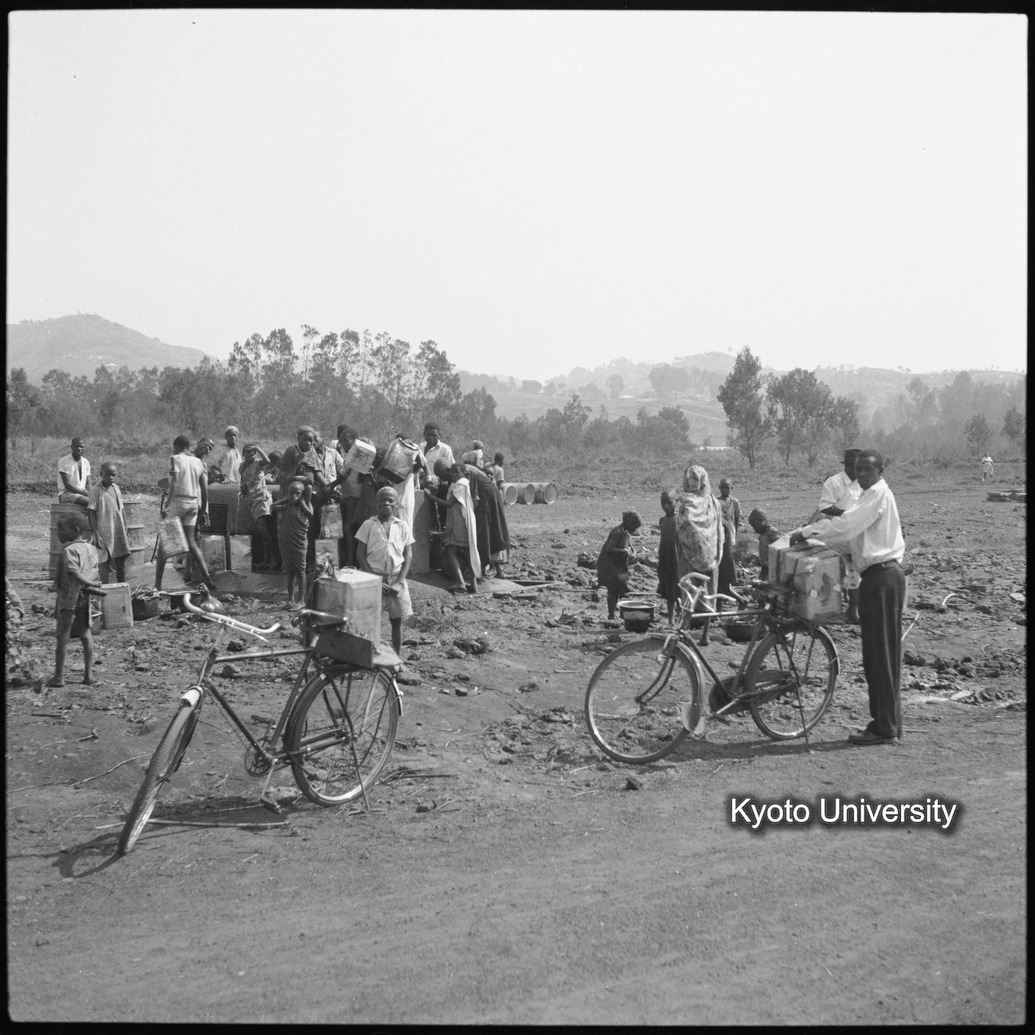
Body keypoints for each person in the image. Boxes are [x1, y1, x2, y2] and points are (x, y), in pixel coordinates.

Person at [790, 449, 905, 746]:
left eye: (868, 470)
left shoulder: (877, 494)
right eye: (858, 469)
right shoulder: (870, 495)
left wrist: (808, 531)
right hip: (880, 577)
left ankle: (884, 728)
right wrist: (819, 539)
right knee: (884, 654)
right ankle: (889, 722)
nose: (862, 474)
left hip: (881, 578)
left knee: (879, 655)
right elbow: (849, 534)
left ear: (881, 470)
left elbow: (846, 525)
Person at [355, 485, 414, 655]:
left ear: (396, 504)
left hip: (396, 579)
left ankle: (397, 656)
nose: (386, 503)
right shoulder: (369, 524)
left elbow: (408, 555)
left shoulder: (402, 526)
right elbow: (360, 554)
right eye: (382, 500)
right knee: (371, 621)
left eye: (390, 500)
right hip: (373, 579)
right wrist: (374, 579)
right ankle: (369, 656)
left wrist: (400, 581)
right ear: (376, 503)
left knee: (396, 621)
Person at [49, 512, 106, 688]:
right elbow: (95, 571)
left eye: (61, 530)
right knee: (86, 633)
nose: (57, 533)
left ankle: (58, 677)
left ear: (75, 530)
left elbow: (74, 573)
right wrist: (92, 585)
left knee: (63, 635)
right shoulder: (91, 548)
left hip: (69, 599)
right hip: (86, 597)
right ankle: (88, 675)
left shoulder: (69, 551)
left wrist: (87, 582)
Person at [154, 435, 217, 593]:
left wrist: (167, 504)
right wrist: (202, 510)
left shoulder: (175, 459)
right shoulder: (198, 462)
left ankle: (157, 585)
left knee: (165, 545)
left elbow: (174, 484)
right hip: (193, 504)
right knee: (191, 542)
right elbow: (204, 488)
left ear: (176, 446)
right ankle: (207, 578)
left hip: (178, 503)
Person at [812, 448, 862, 623]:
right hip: (836, 535)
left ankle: (852, 609)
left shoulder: (860, 484)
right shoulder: (834, 482)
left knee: (854, 573)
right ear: (849, 466)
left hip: (854, 535)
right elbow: (825, 506)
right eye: (858, 468)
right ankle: (834, 608)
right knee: (841, 573)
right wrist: (846, 513)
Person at [674, 463, 723, 644]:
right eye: (689, 479)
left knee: (699, 592)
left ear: (702, 480)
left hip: (700, 556)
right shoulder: (693, 502)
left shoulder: (705, 503)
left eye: (695, 479)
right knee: (697, 592)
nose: (692, 483)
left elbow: (716, 529)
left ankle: (700, 633)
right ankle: (693, 632)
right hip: (699, 555)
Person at [423, 461, 479, 594]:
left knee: (451, 552)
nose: (453, 475)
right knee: (467, 554)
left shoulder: (460, 485)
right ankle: (474, 584)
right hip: (462, 522)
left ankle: (460, 583)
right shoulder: (461, 484)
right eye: (452, 472)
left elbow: (448, 503)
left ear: (463, 473)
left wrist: (431, 497)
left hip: (458, 523)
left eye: (457, 472)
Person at [463, 461, 510, 578]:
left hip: (487, 508)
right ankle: (492, 570)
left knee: (490, 535)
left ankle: (493, 569)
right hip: (488, 508)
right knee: (491, 535)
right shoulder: (489, 488)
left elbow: (474, 498)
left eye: (491, 475)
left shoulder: (484, 486)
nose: (489, 476)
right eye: (487, 474)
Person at [272, 479, 314, 609]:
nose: (294, 496)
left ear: (303, 494)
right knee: (290, 571)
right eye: (291, 493)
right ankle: (290, 599)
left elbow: (310, 488)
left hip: (299, 544)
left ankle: (301, 600)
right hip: (286, 543)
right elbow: (272, 506)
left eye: (297, 493)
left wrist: (302, 501)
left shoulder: (305, 506)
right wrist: (286, 500)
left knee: (300, 571)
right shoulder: (287, 506)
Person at [87, 461, 131, 584]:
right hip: (103, 531)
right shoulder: (95, 490)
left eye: (113, 475)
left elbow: (121, 510)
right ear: (101, 474)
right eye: (107, 475)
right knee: (104, 562)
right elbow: (91, 512)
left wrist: (125, 529)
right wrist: (95, 533)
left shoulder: (116, 489)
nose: (111, 477)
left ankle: (121, 588)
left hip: (117, 530)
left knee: (120, 562)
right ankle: (105, 591)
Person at [597, 510, 641, 620]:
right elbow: (609, 548)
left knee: (616, 588)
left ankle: (613, 612)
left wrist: (633, 551)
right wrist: (623, 551)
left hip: (617, 565)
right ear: (629, 523)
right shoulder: (617, 532)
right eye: (634, 527)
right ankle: (611, 615)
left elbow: (629, 545)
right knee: (612, 590)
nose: (635, 530)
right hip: (610, 564)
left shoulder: (625, 532)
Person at [239, 444, 277, 571]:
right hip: (253, 500)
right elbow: (243, 482)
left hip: (262, 499)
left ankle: (272, 558)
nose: (251, 455)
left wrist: (259, 448)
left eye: (253, 453)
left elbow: (267, 461)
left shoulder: (258, 464)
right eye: (248, 452)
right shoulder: (242, 467)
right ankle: (267, 559)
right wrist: (243, 488)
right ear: (243, 454)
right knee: (261, 531)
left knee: (263, 529)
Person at [715, 477, 741, 599]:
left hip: (730, 536)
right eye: (723, 487)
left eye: (728, 488)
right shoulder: (716, 502)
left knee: (729, 563)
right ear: (719, 488)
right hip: (719, 538)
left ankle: (728, 589)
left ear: (731, 488)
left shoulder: (734, 503)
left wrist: (735, 535)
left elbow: (736, 520)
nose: (725, 490)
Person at [657, 490, 679, 623]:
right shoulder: (662, 521)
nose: (665, 506)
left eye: (669, 502)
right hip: (665, 558)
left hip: (677, 559)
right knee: (668, 589)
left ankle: (681, 618)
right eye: (662, 503)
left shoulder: (681, 520)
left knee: (679, 589)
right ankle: (670, 619)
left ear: (677, 502)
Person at [747, 508, 782, 583]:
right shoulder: (763, 534)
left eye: (754, 525)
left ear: (761, 520)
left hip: (773, 570)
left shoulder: (773, 534)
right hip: (765, 569)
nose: (754, 529)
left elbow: (781, 553)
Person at [57, 437, 91, 506]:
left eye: (81, 447)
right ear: (72, 447)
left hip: (82, 494)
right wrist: (85, 493)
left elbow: (88, 484)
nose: (79, 449)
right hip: (66, 494)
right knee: (91, 502)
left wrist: (92, 493)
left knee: (99, 501)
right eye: (76, 446)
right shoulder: (64, 461)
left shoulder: (86, 462)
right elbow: (68, 485)